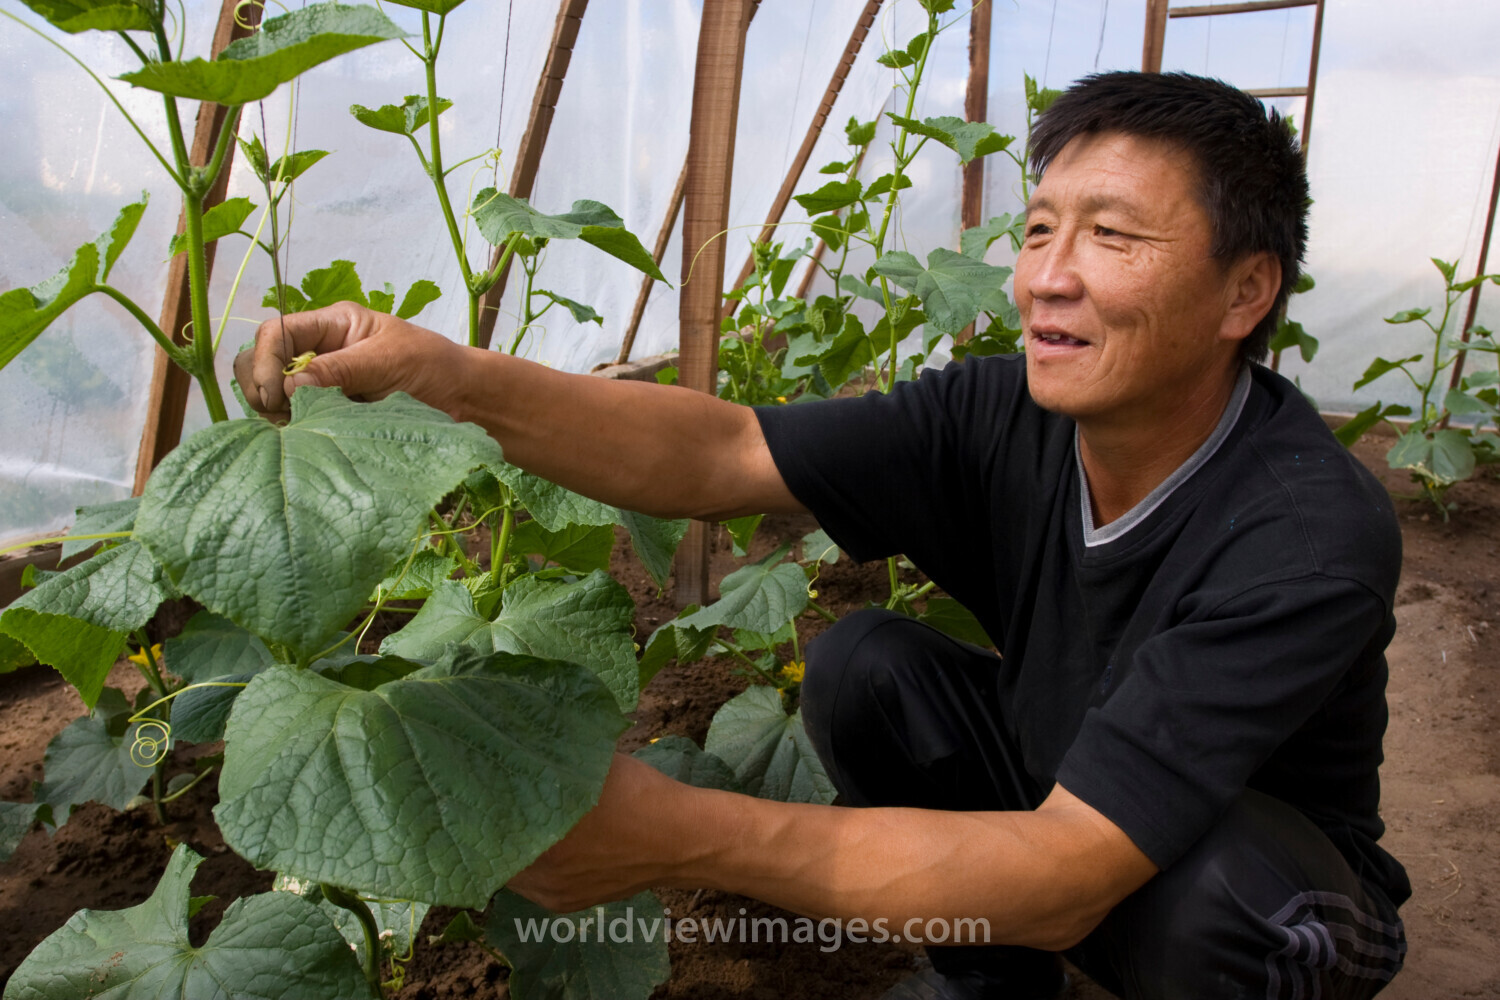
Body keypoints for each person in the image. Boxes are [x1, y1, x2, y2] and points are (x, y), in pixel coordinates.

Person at [236, 72, 1408, 1000]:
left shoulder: (1302, 533)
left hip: (1252, 882)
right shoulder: (1002, 412)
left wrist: (681, 835)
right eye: (1040, 227)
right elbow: (721, 452)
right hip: (1073, 785)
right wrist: (447, 373)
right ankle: (990, 977)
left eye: (1111, 237)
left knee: (1232, 919)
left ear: (1245, 294)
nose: (1047, 278)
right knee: (863, 669)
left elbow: (1062, 878)